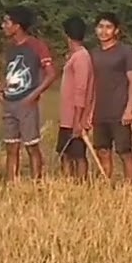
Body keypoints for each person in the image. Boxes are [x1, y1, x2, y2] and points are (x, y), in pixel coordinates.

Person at [0, 6, 56, 180]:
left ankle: (36, 182)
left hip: (26, 102)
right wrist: (3, 89)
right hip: (9, 101)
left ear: (17, 26)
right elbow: (10, 72)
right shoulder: (10, 48)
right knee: (11, 147)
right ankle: (11, 182)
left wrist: (33, 95)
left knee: (31, 146)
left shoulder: (36, 46)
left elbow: (51, 74)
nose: (3, 26)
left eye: (6, 22)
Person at [88, 12, 132, 182]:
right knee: (102, 151)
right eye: (101, 27)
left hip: (119, 111)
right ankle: (105, 184)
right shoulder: (93, 54)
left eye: (108, 27)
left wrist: (129, 109)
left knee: (124, 152)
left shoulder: (125, 52)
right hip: (99, 111)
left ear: (116, 30)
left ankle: (130, 187)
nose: (104, 31)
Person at [56, 16, 94, 179]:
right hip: (67, 117)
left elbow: (81, 89)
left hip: (74, 117)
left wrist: (78, 120)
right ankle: (69, 182)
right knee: (65, 153)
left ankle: (80, 183)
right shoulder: (74, 56)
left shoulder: (81, 57)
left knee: (78, 155)